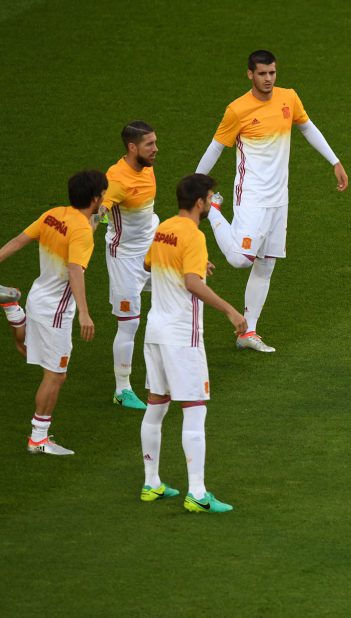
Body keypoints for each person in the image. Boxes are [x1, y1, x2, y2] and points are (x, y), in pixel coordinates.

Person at [195, 49, 349, 353]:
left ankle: (248, 332)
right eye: (262, 73)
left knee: (266, 263)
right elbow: (216, 148)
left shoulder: (288, 98)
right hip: (250, 194)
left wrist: (334, 161)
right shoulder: (237, 110)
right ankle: (214, 210)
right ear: (250, 74)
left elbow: (307, 127)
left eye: (273, 73)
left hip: (280, 197)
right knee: (241, 259)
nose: (268, 79)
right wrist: (194, 185)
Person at [139, 174, 247, 513]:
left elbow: (149, 263)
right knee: (194, 409)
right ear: (201, 203)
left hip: (154, 330)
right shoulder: (194, 235)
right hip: (181, 335)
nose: (212, 201)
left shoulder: (165, 228)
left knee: (156, 405)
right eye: (211, 197)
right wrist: (230, 310)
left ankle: (151, 483)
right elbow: (190, 283)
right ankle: (197, 493)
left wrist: (196, 265)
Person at [0, 170, 106, 455]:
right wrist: (84, 313)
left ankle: (13, 311)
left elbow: (19, 241)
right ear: (95, 198)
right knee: (56, 375)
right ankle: (38, 438)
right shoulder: (82, 230)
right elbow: (75, 270)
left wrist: (96, 218)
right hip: (56, 313)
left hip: (37, 299)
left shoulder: (54, 214)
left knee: (28, 350)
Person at [102, 121, 159, 410]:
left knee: (179, 292)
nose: (155, 149)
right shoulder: (116, 179)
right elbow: (98, 210)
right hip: (125, 258)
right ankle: (122, 388)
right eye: (149, 144)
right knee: (130, 322)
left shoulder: (146, 166)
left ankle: (160, 369)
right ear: (132, 147)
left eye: (155, 142)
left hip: (151, 248)